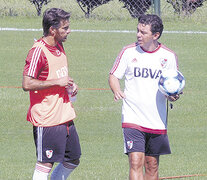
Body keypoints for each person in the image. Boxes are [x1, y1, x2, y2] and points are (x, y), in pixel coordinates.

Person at [109, 14, 181, 180]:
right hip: (132, 116)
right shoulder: (128, 52)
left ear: (155, 35)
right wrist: (116, 89)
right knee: (135, 161)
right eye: (137, 30)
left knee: (152, 165)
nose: (138, 35)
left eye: (143, 32)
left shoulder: (168, 57)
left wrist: (173, 96)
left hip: (156, 119)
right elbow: (113, 75)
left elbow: (173, 86)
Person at [22, 8, 81, 180]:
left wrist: (70, 84)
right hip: (46, 119)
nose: (69, 31)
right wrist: (57, 82)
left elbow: (57, 75)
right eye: (65, 28)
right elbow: (27, 84)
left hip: (64, 115)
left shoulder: (59, 46)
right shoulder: (37, 52)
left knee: (73, 158)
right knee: (45, 164)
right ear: (52, 30)